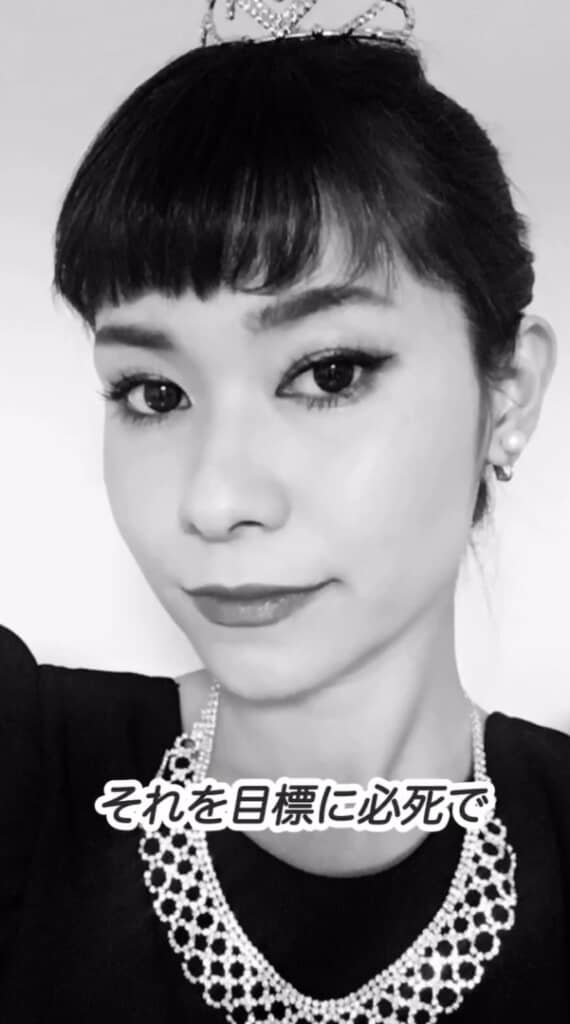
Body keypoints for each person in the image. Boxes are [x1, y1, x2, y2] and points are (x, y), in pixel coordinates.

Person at [1, 2, 568, 1021]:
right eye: (154, 393)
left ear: (510, 395)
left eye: (329, 371)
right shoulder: (26, 764)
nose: (215, 500)